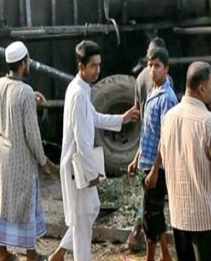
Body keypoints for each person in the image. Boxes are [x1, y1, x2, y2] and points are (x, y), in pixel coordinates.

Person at [49, 41, 141, 261]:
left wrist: (122, 118)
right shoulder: (78, 93)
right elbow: (82, 139)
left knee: (90, 211)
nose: (97, 70)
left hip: (80, 163)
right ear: (81, 66)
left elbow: (95, 118)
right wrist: (91, 174)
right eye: (93, 66)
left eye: (99, 65)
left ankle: (60, 253)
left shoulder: (81, 88)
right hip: (77, 165)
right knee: (83, 220)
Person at [160, 61, 211, 261]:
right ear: (201, 88)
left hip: (179, 214)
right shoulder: (209, 122)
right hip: (207, 217)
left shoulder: (169, 117)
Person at [0, 41, 58, 261]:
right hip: (21, 157)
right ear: (23, 63)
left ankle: (2, 253)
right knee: (26, 204)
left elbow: (13, 101)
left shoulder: (0, 84)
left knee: (5, 203)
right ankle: (31, 256)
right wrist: (43, 160)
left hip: (3, 153)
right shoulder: (25, 91)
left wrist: (31, 97)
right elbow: (32, 134)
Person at [127, 47, 177, 261]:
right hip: (147, 162)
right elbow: (148, 131)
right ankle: (164, 255)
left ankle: (152, 257)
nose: (152, 70)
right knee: (155, 213)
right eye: (150, 65)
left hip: (159, 167)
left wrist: (156, 169)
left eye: (157, 66)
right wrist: (136, 158)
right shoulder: (153, 92)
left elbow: (164, 138)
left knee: (150, 213)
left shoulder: (167, 97)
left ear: (166, 68)